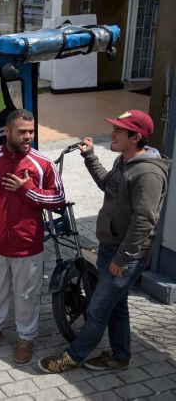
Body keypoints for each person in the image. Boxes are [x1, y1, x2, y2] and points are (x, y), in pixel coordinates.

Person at [38, 109, 171, 374]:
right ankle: (121, 356)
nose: (112, 134)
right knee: (116, 304)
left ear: (136, 137)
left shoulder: (148, 174)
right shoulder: (125, 161)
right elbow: (106, 185)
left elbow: (144, 222)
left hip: (127, 255)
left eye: (119, 131)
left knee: (98, 308)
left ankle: (71, 357)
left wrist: (123, 259)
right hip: (110, 246)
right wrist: (89, 156)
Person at [0, 108, 66, 364]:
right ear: (8, 131)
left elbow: (58, 199)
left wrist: (28, 190)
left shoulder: (42, 163)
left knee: (27, 295)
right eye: (22, 131)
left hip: (28, 245)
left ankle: (26, 338)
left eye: (31, 131)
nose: (28, 136)